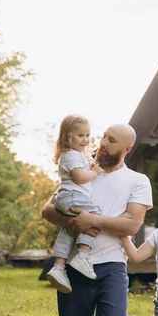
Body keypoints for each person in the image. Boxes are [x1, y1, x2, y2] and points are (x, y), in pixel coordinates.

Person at [42, 123, 153, 316]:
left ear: (126, 148)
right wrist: (72, 221)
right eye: (103, 136)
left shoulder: (137, 180)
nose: (102, 143)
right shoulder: (81, 169)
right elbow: (48, 210)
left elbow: (131, 225)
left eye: (111, 140)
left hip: (113, 266)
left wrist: (92, 219)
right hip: (75, 266)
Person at [46, 114, 105, 294]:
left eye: (87, 135)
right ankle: (83, 255)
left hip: (67, 197)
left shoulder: (78, 155)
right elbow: (79, 178)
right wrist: (96, 172)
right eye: (80, 135)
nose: (85, 140)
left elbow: (87, 163)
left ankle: (58, 267)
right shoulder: (71, 155)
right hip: (73, 195)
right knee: (95, 215)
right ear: (67, 137)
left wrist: (93, 161)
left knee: (69, 230)